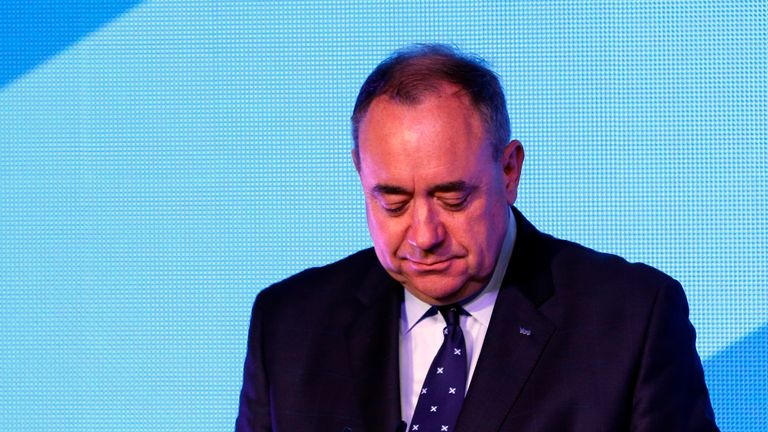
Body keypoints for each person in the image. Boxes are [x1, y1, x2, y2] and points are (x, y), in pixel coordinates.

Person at [236, 44, 718, 431]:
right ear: (360, 175)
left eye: (452, 198)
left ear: (509, 171)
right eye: (394, 202)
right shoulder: (288, 325)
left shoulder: (632, 319)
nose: (424, 236)